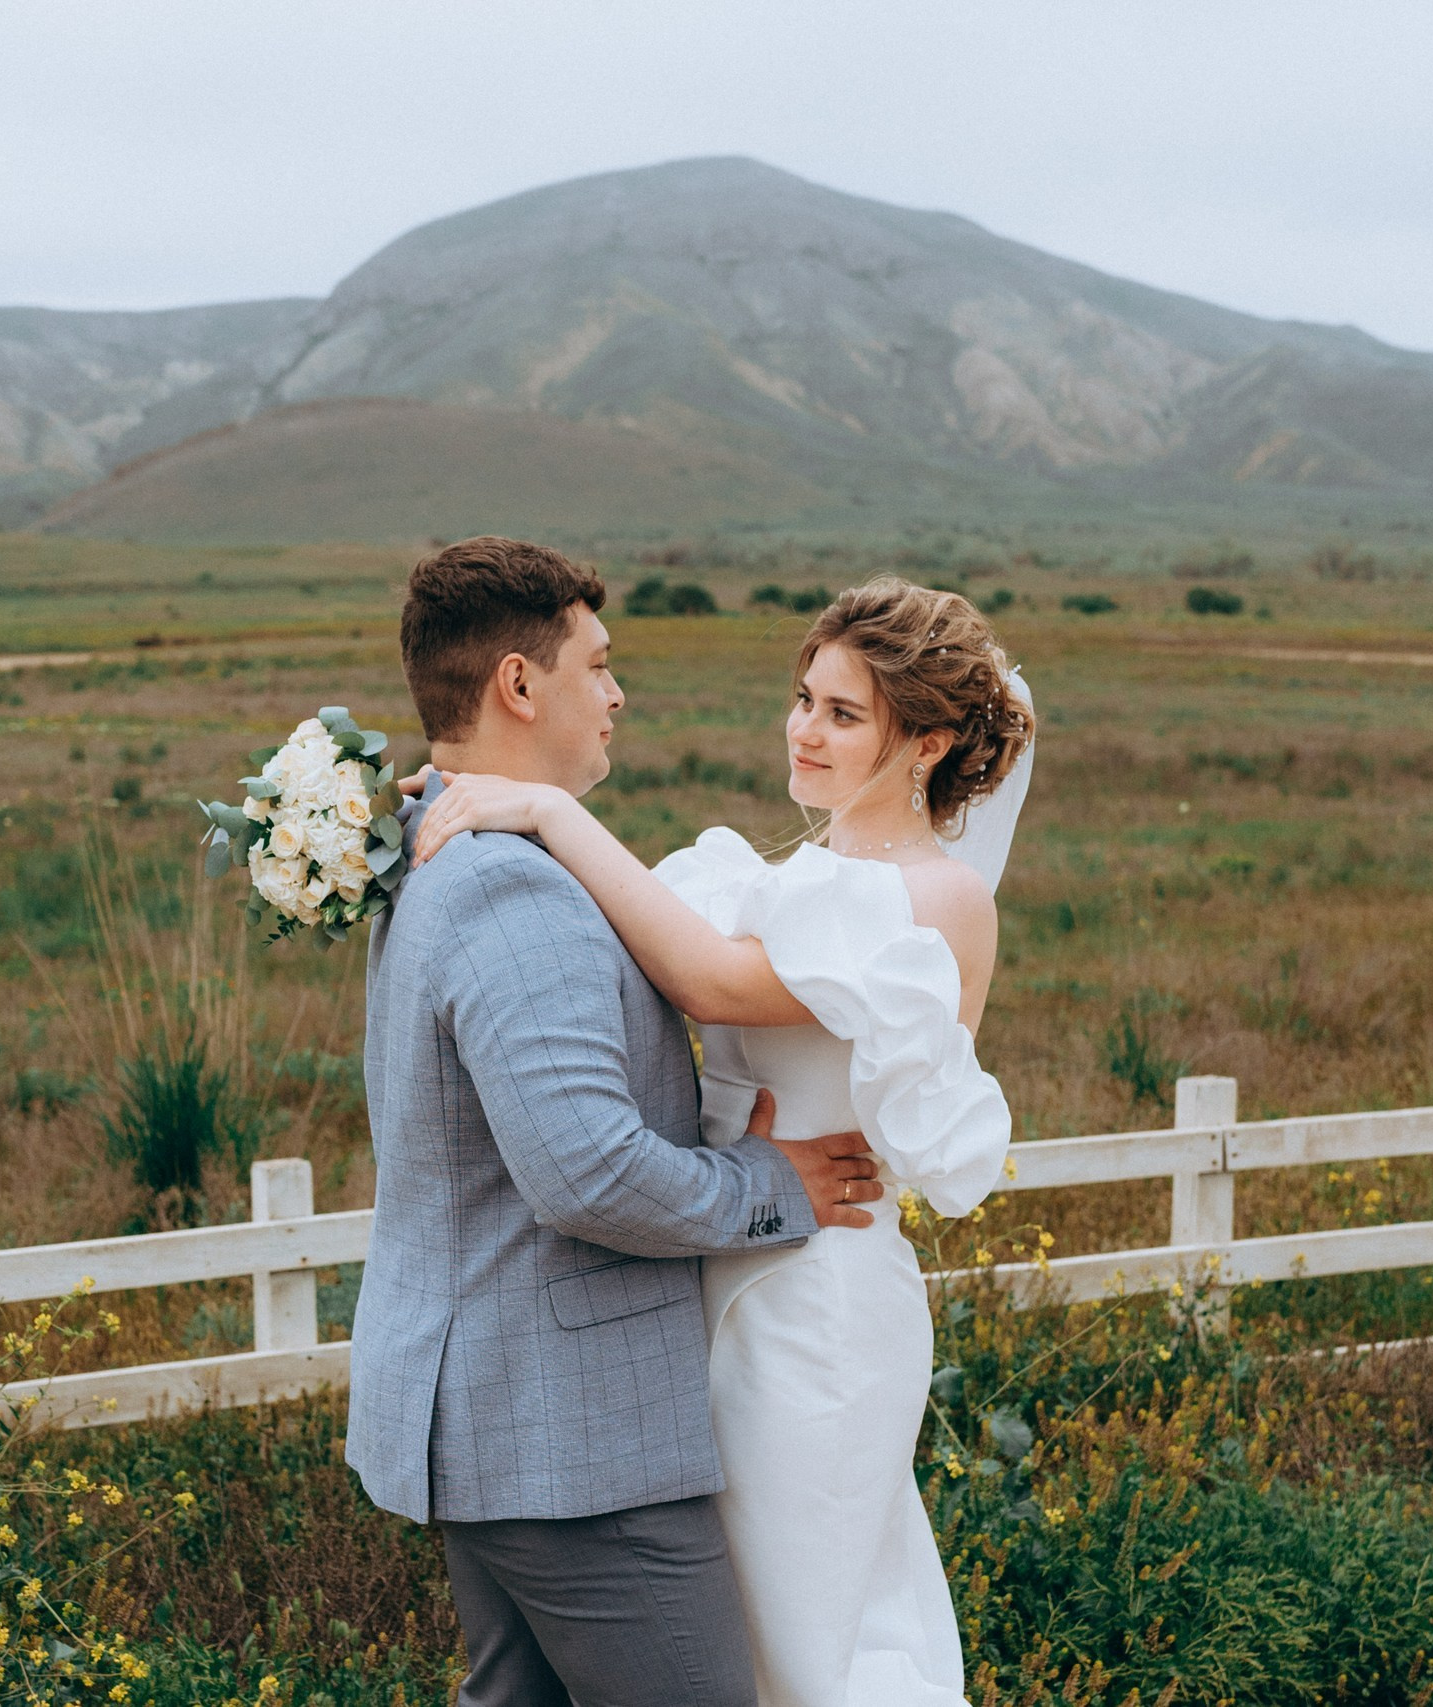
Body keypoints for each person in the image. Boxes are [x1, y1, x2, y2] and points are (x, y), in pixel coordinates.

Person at [412, 573, 1037, 1706]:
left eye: (843, 715)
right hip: (719, 1268)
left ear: (929, 743)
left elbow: (706, 981)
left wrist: (548, 810)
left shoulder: (935, 898)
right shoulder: (791, 877)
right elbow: (619, 949)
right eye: (803, 698)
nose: (803, 730)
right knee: (731, 1635)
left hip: (819, 1302)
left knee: (814, 1634)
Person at [345, 537, 893, 1707]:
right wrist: (773, 1184)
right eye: (596, 663)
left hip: (499, 1428)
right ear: (518, 684)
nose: (616, 690)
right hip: (573, 1449)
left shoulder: (430, 840)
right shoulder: (506, 882)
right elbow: (588, 1174)